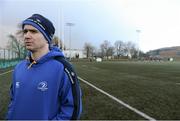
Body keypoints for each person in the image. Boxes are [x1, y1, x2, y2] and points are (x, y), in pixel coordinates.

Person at [6, 14, 82, 120]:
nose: (27, 36)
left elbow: (72, 109)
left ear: (47, 37)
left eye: (33, 31)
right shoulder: (19, 67)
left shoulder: (63, 68)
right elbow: (13, 101)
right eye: (25, 31)